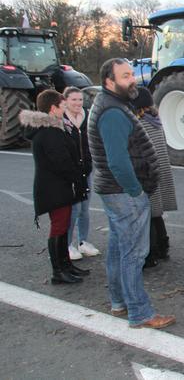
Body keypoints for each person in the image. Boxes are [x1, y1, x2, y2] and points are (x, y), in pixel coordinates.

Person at [88, 58, 174, 329]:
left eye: (131, 74)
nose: (132, 80)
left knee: (118, 248)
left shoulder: (112, 104)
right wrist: (136, 191)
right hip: (124, 192)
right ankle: (139, 312)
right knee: (133, 253)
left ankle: (119, 301)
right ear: (109, 82)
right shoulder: (112, 112)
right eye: (125, 76)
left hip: (114, 190)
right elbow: (117, 161)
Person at [21, 90, 89, 284]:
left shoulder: (53, 129)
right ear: (53, 108)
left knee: (63, 225)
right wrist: (77, 176)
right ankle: (58, 271)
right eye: (62, 106)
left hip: (58, 187)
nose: (65, 108)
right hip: (54, 188)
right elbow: (61, 161)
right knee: (59, 227)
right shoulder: (49, 132)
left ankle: (66, 265)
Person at [132, 87, 176, 268]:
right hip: (160, 171)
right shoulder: (155, 120)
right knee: (156, 212)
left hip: (148, 173)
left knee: (147, 213)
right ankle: (163, 246)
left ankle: (150, 254)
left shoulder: (139, 124)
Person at [63, 86, 99, 260]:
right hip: (71, 172)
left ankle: (83, 242)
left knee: (85, 208)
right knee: (74, 209)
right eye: (74, 100)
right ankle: (68, 245)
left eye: (80, 100)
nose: (78, 103)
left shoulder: (88, 116)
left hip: (87, 169)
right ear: (66, 101)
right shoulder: (61, 120)